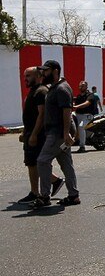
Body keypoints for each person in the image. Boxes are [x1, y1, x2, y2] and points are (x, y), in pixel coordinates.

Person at [30, 60, 81, 209]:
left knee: (42, 161)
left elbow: (67, 111)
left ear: (55, 71)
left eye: (46, 71)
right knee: (66, 164)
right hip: (58, 133)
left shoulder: (61, 89)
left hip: (57, 133)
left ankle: (44, 196)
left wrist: (65, 133)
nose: (43, 74)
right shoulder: (55, 87)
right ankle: (73, 195)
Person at [18, 67, 64, 203]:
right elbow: (30, 115)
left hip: (37, 135)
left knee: (35, 163)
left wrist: (34, 134)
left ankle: (39, 191)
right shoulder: (34, 91)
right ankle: (45, 186)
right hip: (30, 132)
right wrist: (25, 132)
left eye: (28, 76)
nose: (25, 79)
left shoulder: (41, 91)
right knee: (32, 163)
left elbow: (41, 115)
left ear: (38, 76)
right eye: (25, 76)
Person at [73, 81, 99, 153]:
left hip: (87, 116)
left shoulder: (90, 95)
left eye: (83, 86)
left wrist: (76, 107)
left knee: (81, 127)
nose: (81, 87)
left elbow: (87, 103)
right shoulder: (79, 96)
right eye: (80, 86)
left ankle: (82, 146)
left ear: (86, 87)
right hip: (78, 114)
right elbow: (74, 103)